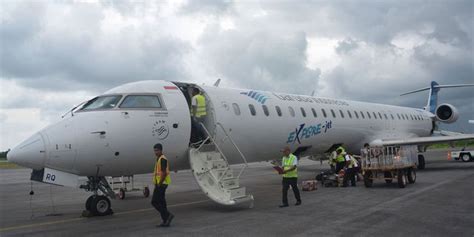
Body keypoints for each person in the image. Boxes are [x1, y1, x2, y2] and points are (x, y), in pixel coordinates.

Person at [151, 143, 174, 227]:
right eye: (154, 150)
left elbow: (164, 173)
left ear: (161, 150)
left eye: (157, 150)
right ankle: (165, 221)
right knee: (162, 202)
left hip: (162, 184)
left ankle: (168, 215)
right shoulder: (159, 158)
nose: (155, 152)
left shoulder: (162, 159)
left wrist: (159, 183)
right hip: (160, 183)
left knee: (154, 202)